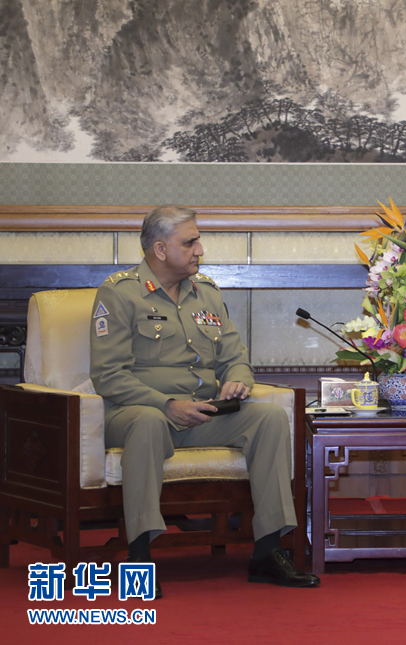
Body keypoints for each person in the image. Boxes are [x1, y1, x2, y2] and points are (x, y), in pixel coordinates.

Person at [90, 205, 320, 598]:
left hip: (201, 413)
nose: (200, 249)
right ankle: (139, 558)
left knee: (268, 419)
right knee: (147, 423)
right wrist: (166, 405)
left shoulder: (207, 293)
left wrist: (237, 380)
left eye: (198, 241)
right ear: (160, 249)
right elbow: (108, 376)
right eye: (190, 242)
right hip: (137, 414)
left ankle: (267, 551)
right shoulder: (119, 292)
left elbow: (235, 357)